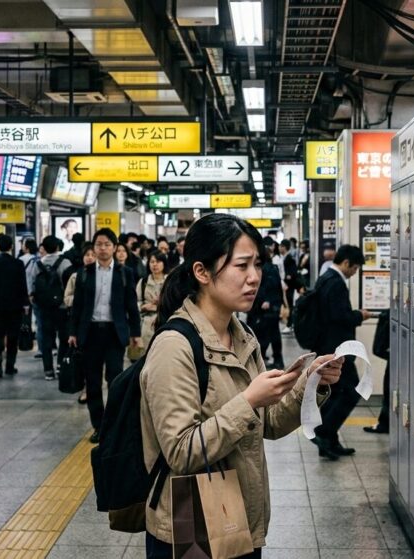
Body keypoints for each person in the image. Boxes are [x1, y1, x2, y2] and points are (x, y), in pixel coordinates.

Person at [139, 213, 344, 558]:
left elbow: (269, 423)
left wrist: (310, 384)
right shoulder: (174, 346)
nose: (254, 277)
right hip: (192, 522)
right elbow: (181, 452)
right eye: (241, 265)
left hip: (238, 517)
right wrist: (248, 401)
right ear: (202, 272)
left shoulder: (242, 335)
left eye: (257, 265)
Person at [67, 228, 140, 443]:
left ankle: (113, 425)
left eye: (107, 244)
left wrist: (135, 333)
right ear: (93, 247)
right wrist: (72, 332)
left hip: (114, 333)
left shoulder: (125, 273)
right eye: (99, 244)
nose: (103, 248)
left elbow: (131, 305)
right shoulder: (85, 272)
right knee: (92, 382)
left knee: (115, 379)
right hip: (90, 333)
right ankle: (98, 426)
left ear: (115, 247)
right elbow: (78, 306)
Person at [310, 244, 372, 460]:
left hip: (328, 346)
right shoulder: (335, 283)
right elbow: (339, 316)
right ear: (346, 263)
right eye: (354, 268)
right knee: (352, 392)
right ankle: (323, 432)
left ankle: (330, 441)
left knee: (335, 393)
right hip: (337, 349)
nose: (354, 273)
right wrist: (359, 315)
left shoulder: (325, 278)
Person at [0, 234, 28, 378]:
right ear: (11, 246)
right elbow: (22, 286)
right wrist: (25, 304)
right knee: (13, 336)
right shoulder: (18, 263)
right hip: (15, 306)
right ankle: (10, 365)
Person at [34, 235, 71, 379]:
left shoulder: (38, 264)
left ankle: (48, 370)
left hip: (44, 307)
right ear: (57, 247)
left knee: (46, 339)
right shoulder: (65, 263)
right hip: (62, 306)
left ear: (44, 248)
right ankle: (60, 365)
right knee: (63, 337)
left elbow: (32, 285)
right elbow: (70, 285)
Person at [63, 243, 95, 405]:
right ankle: (86, 388)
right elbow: (67, 298)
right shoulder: (76, 277)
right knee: (85, 359)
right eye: (87, 255)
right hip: (82, 323)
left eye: (92, 255)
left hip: (99, 324)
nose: (90, 258)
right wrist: (80, 300)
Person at [247, 243, 284, 368]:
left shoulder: (264, 269)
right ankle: (275, 359)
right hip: (272, 307)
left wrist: (264, 300)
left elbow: (263, 287)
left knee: (261, 333)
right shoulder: (273, 268)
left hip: (263, 308)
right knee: (273, 333)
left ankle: (262, 358)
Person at [135, 249, 167, 353]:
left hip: (165, 322)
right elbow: (136, 301)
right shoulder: (143, 282)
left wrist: (160, 304)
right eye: (152, 261)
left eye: (158, 261)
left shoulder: (169, 281)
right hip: (146, 324)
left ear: (164, 263)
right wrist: (143, 306)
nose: (155, 265)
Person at [279, 240, 299, 331]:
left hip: (289, 286)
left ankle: (289, 324)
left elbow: (293, 273)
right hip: (284, 285)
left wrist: (287, 278)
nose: (279, 248)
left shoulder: (290, 259)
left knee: (289, 304)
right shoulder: (282, 258)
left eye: (281, 246)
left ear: (284, 247)